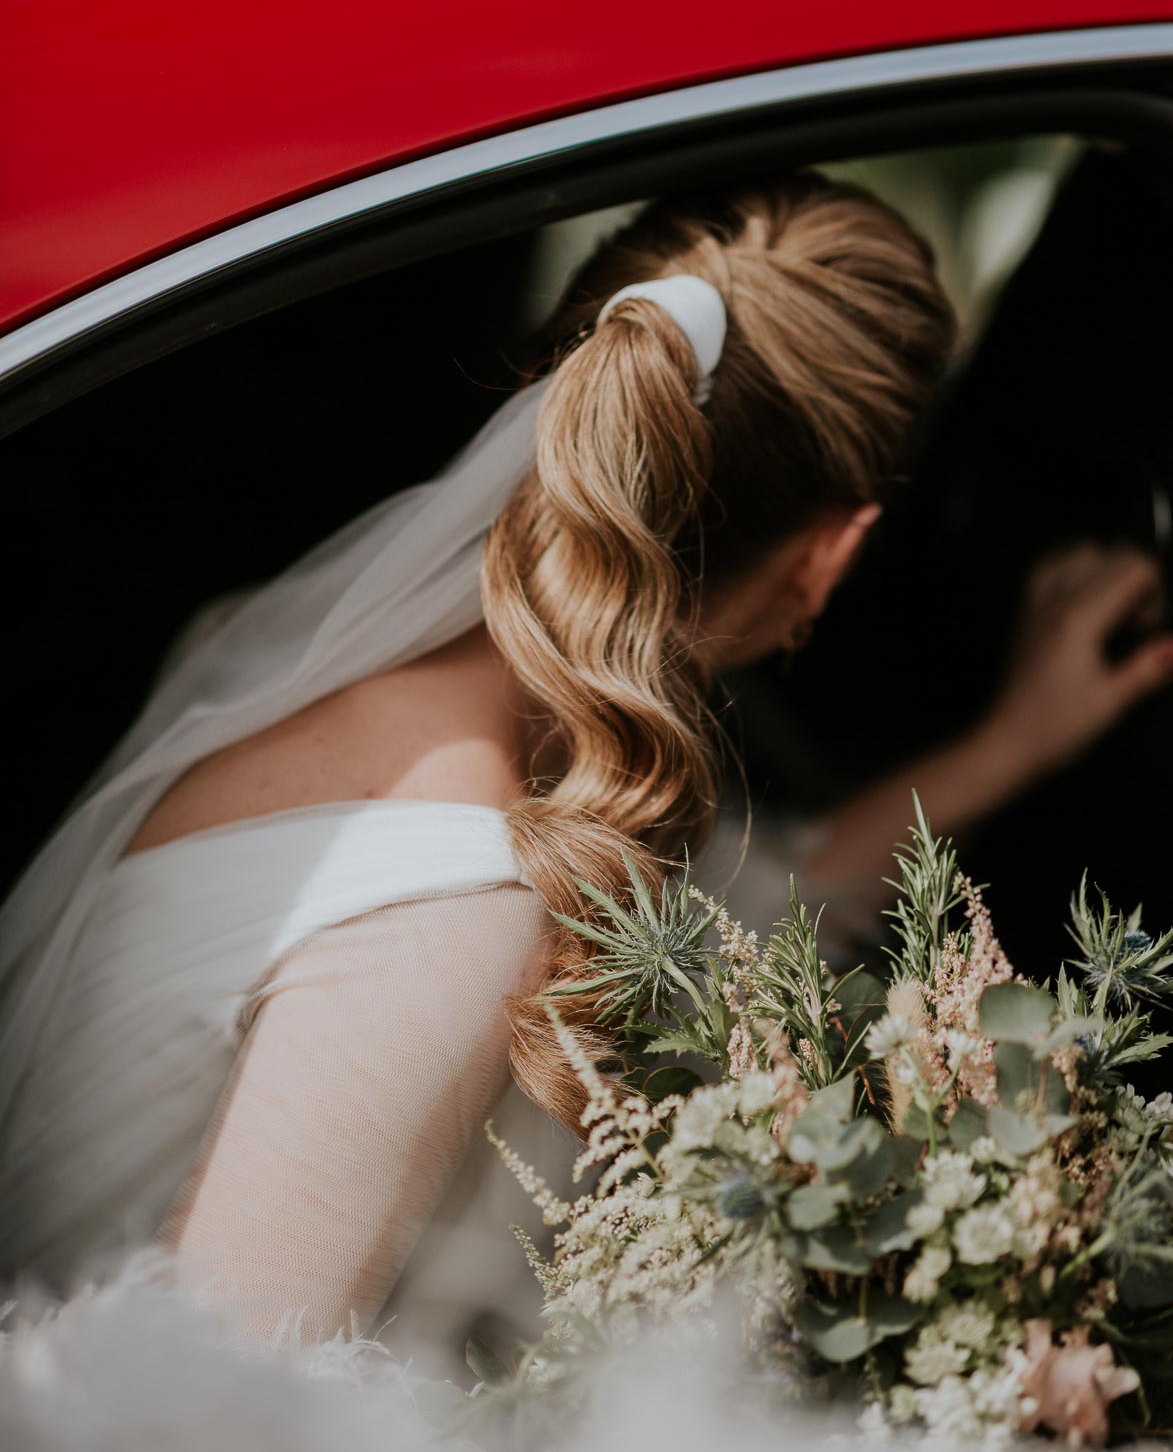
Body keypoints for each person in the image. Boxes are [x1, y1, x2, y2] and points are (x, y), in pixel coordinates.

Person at [0, 176, 1168, 1345]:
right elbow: (201, 1440)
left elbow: (724, 903)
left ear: (541, 392)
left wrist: (1008, 743)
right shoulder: (458, 913)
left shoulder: (274, 642)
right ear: (829, 556)